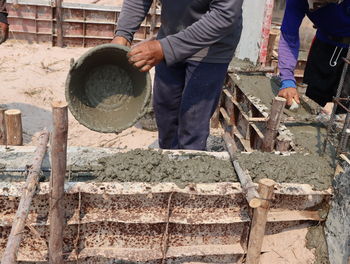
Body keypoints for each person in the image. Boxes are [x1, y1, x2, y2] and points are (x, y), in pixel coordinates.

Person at [112, 0, 243, 150]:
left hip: (211, 45)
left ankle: (189, 164)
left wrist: (165, 48)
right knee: (165, 113)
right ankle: (169, 163)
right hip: (171, 33)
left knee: (192, 123)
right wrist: (122, 34)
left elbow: (225, 15)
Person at [278, 0, 350, 112]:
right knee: (313, 103)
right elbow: (289, 37)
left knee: (343, 108)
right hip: (323, 45)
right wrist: (287, 79)